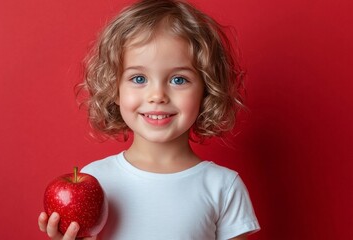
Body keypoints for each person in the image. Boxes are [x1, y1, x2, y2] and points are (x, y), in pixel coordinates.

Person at [38, 0, 260, 239]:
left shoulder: (223, 188)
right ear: (115, 87)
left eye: (178, 80)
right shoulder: (97, 181)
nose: (157, 96)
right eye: (139, 78)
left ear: (207, 89)